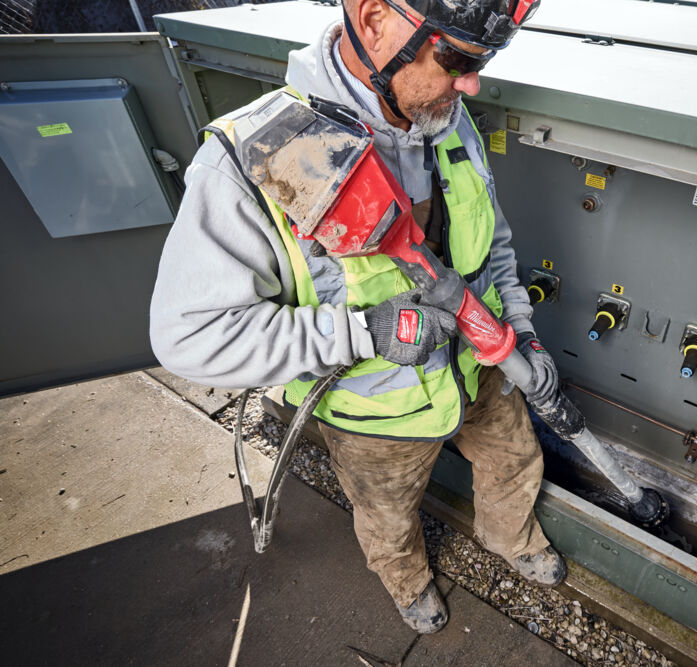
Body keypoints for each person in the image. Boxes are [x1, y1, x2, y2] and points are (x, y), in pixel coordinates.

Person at [149, 0, 565, 634]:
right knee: (388, 516)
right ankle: (408, 583)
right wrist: (361, 332)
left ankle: (513, 539)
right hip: (376, 415)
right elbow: (189, 336)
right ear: (373, 20)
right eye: (456, 58)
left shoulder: (445, 116)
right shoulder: (258, 156)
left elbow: (493, 244)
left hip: (479, 369)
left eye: (481, 62)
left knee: (515, 459)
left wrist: (522, 333)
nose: (472, 84)